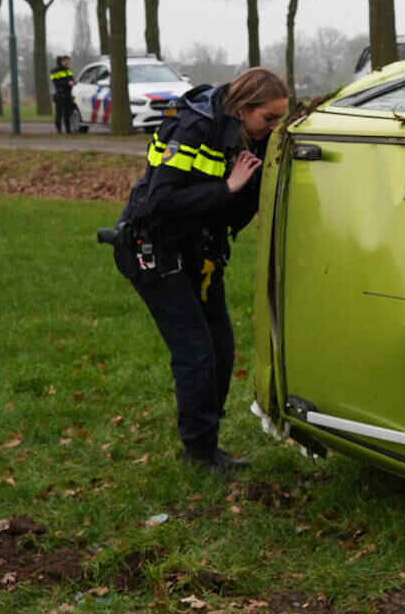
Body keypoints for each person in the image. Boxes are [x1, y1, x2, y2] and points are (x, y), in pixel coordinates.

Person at [110, 66, 291, 475]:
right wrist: (227, 187)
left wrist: (247, 189)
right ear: (244, 109)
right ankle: (199, 454)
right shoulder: (192, 128)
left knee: (221, 350)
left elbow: (234, 210)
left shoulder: (248, 137)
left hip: (199, 252)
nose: (274, 127)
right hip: (153, 250)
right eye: (270, 118)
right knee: (196, 353)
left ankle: (207, 444)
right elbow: (160, 202)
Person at [50, 55, 76, 134]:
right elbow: (56, 82)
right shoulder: (54, 71)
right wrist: (68, 83)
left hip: (68, 94)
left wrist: (74, 82)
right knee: (59, 113)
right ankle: (59, 130)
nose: (68, 62)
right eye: (66, 61)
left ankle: (68, 130)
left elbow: (72, 79)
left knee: (68, 113)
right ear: (61, 61)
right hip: (60, 94)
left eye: (68, 61)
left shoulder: (68, 70)